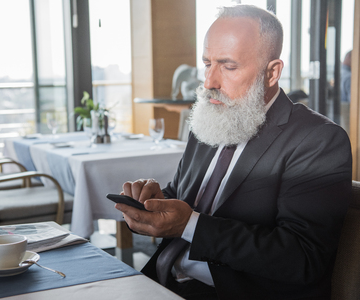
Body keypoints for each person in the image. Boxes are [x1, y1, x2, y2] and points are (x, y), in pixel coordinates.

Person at [115, 5, 352, 300]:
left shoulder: (318, 141)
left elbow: (302, 257)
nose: (209, 83)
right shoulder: (210, 117)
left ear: (272, 72)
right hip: (162, 283)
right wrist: (155, 202)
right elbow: (183, 197)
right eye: (206, 64)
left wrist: (189, 225)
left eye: (228, 66)